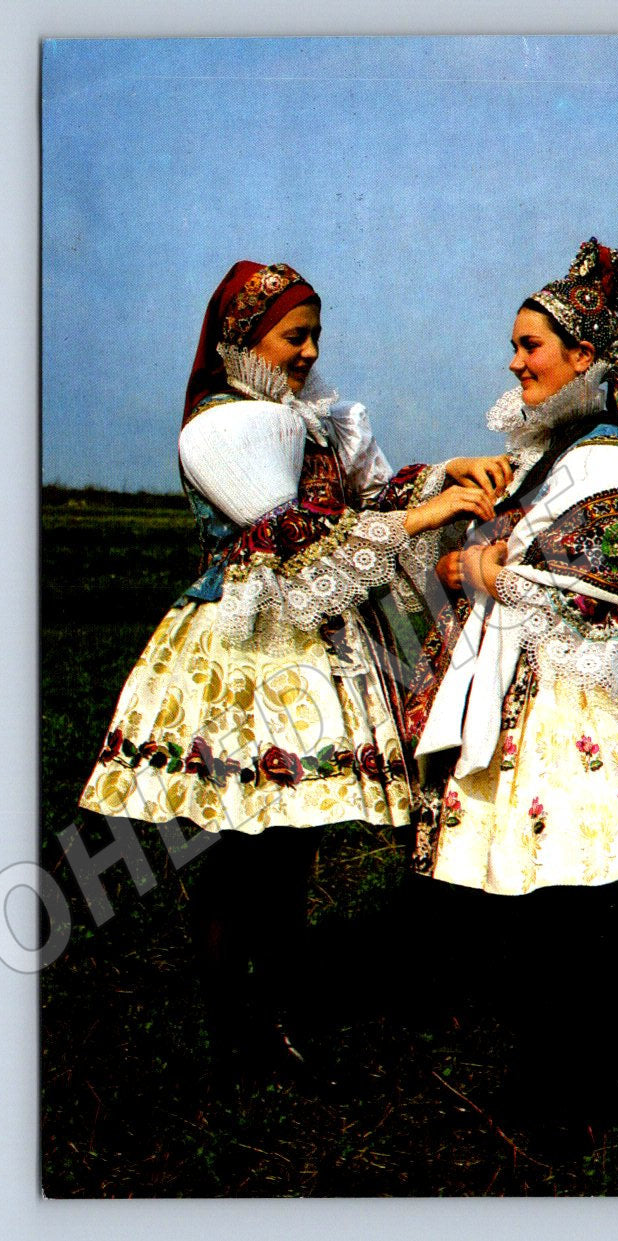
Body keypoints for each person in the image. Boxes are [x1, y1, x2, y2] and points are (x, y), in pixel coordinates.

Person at [79, 259, 511, 1067]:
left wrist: (443, 474)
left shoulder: (312, 420)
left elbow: (361, 505)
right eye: (293, 335)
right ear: (243, 338)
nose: (309, 352)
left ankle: (276, 1005)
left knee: (292, 834)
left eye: (316, 335)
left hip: (310, 635)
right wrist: (428, 512)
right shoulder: (221, 425)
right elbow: (291, 539)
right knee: (239, 841)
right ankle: (228, 1020)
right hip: (248, 646)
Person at [404, 240, 618, 1128]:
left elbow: (605, 585)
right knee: (543, 896)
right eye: (514, 346)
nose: (514, 361)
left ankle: (572, 1090)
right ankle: (559, 1076)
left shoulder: (613, 461)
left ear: (582, 357)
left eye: (531, 347)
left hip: (587, 698)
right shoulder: (543, 459)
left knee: (574, 896)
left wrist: (478, 569)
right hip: (534, 687)